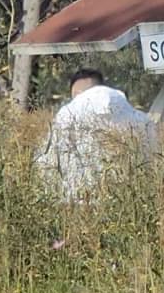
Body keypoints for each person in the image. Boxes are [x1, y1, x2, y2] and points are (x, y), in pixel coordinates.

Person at [35, 68, 157, 203]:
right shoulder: (139, 118)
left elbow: (49, 162)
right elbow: (153, 157)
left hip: (79, 202)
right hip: (129, 201)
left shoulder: (67, 114)